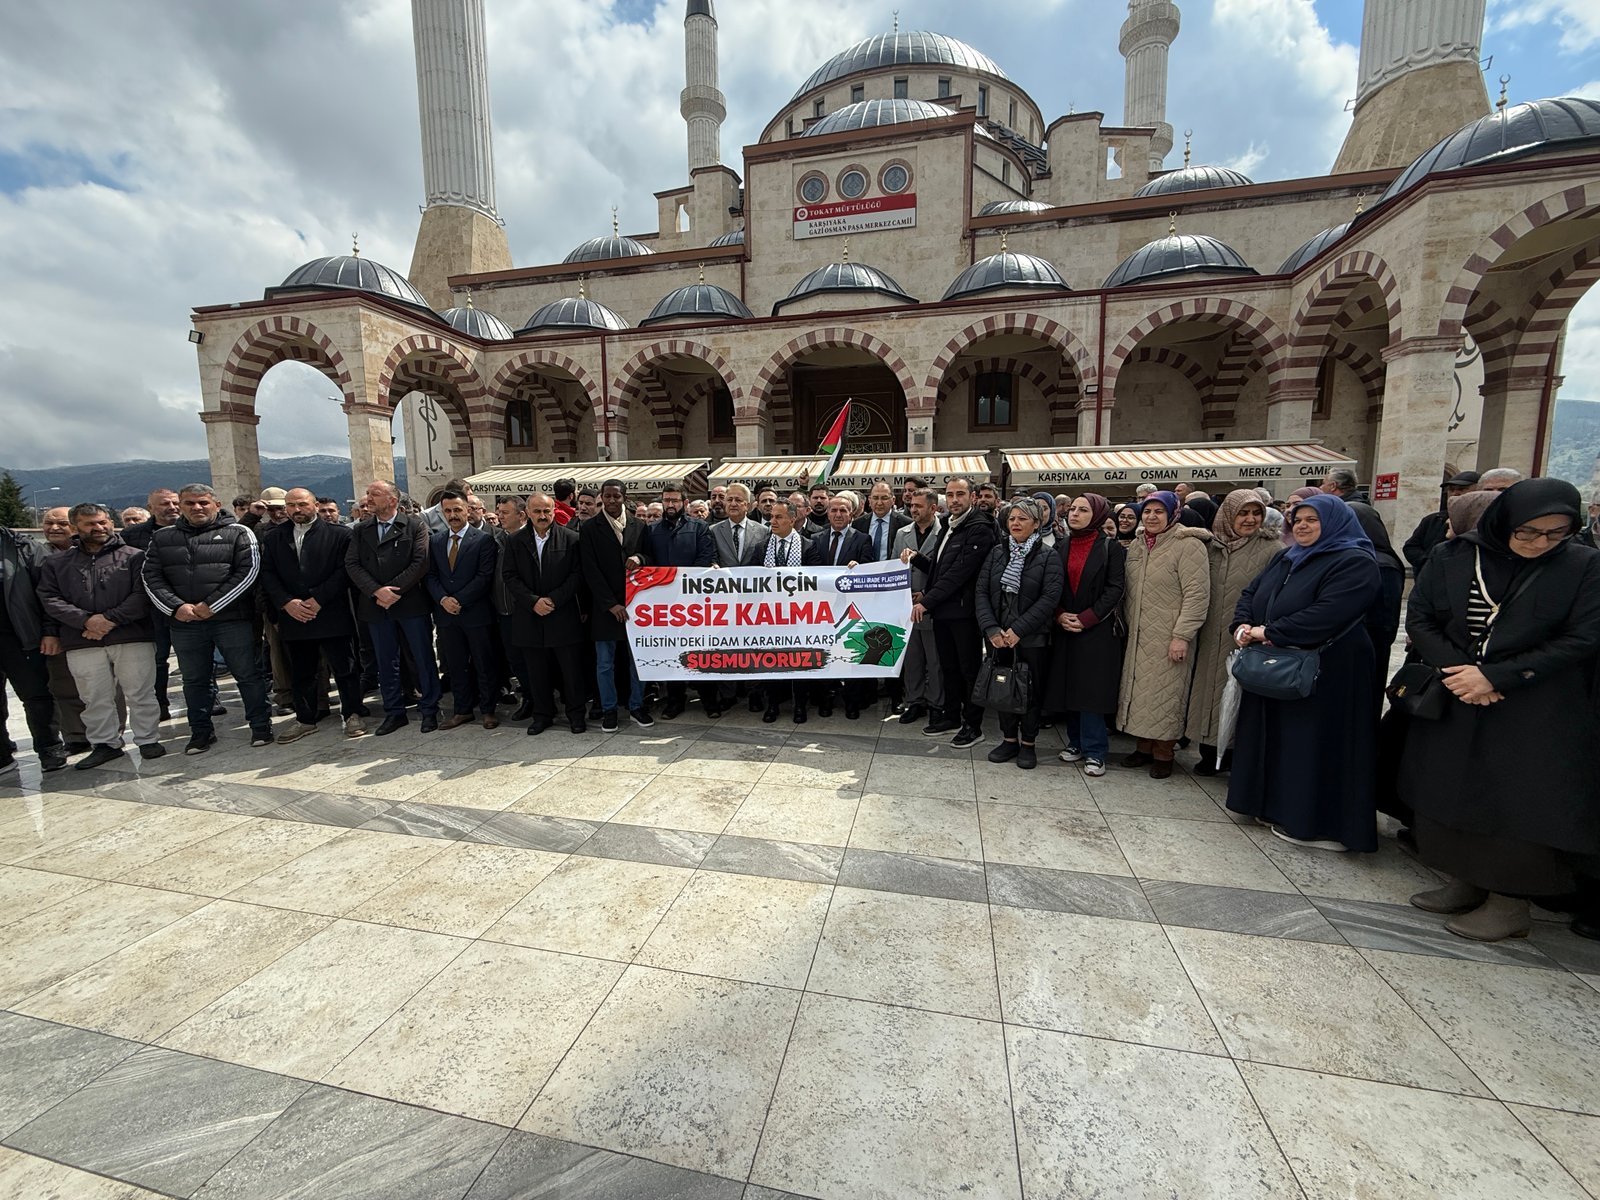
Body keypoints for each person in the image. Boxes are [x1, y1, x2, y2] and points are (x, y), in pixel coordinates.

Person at [1401, 479, 1600, 942]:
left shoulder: (1583, 566)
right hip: (1459, 690)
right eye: (1528, 531)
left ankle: (1509, 903)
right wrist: (1460, 671)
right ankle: (1464, 879)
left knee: (1513, 800)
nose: (1540, 543)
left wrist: (1497, 677)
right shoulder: (1453, 555)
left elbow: (1583, 636)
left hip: (1534, 704)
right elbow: (1421, 617)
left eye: (1555, 533)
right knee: (1449, 788)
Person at [1226, 493, 1382, 850]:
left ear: (1334, 522)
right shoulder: (1288, 556)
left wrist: (1268, 631)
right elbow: (1251, 592)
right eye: (1297, 520)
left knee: (1313, 745)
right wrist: (1242, 624)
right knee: (1280, 740)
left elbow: (1329, 612)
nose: (1302, 526)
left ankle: (1316, 825)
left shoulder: (1354, 561)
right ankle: (1271, 806)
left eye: (1312, 520)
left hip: (1329, 669)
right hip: (1279, 664)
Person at [141, 483, 273, 754]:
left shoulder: (238, 532)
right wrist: (176, 608)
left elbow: (249, 571)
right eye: (189, 503)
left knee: (248, 675)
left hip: (232, 619)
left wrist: (212, 605)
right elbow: (150, 576)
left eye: (203, 502)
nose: (197, 507)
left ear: (216, 504)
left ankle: (261, 726)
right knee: (194, 680)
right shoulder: (163, 537)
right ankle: (200, 732)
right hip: (185, 623)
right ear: (181, 506)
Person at [37, 503, 162, 770]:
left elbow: (142, 595)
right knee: (93, 696)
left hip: (131, 635)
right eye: (90, 524)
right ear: (75, 527)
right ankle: (105, 744)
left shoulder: (135, 557)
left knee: (140, 691)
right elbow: (49, 598)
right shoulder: (56, 563)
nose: (99, 528)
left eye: (103, 522)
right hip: (81, 638)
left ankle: (148, 739)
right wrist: (86, 620)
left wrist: (108, 620)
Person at [1186, 490, 1282, 776]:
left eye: (1256, 513)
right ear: (1228, 514)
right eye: (1243, 513)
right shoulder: (1210, 547)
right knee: (1206, 692)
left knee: (1238, 694)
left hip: (1246, 634)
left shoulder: (1273, 550)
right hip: (1207, 632)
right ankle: (1208, 751)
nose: (1250, 519)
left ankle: (1233, 754)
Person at [258, 488, 366, 742]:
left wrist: (318, 599)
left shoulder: (339, 534)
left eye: (302, 504)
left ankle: (352, 713)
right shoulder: (274, 537)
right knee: (302, 671)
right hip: (294, 615)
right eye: (291, 505)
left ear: (315, 505)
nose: (297, 509)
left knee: (345, 668)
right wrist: (287, 603)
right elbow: (268, 573)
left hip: (331, 611)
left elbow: (344, 571)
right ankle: (305, 719)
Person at [1116, 491, 1210, 779]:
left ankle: (1164, 753)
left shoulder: (1188, 545)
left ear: (1172, 514)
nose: (1152, 516)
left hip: (1170, 635)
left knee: (1167, 695)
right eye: (1147, 511)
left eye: (1159, 511)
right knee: (1140, 694)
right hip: (1139, 633)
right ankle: (1143, 747)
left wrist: (1182, 635)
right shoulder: (1139, 544)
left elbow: (1197, 595)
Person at [901, 477, 999, 747]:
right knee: (949, 668)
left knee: (969, 670)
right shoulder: (949, 525)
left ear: (973, 497)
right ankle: (952, 717)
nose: (954, 500)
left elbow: (959, 573)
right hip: (944, 611)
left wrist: (927, 601)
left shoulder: (980, 528)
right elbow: (940, 568)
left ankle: (973, 725)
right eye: (950, 494)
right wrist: (917, 559)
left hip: (965, 613)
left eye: (960, 494)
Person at [345, 479, 440, 736]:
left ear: (392, 500)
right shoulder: (361, 530)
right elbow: (352, 564)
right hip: (376, 606)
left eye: (375, 493)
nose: (369, 498)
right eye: (368, 493)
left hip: (410, 604)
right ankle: (394, 712)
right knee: (386, 662)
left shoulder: (415, 526)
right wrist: (377, 591)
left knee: (422, 658)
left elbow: (420, 562)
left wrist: (393, 591)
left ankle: (430, 710)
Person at [974, 499, 1063, 770]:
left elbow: (1049, 598)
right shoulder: (997, 553)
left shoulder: (1048, 556)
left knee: (1029, 691)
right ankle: (1009, 739)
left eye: (1023, 519)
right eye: (1012, 518)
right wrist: (991, 628)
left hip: (1031, 638)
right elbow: (981, 591)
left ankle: (1029, 744)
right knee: (1003, 688)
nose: (1015, 523)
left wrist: (1019, 630)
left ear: (1036, 524)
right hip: (998, 637)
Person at [1048, 493, 1125, 777]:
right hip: (1065, 626)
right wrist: (1059, 614)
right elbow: (1052, 584)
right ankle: (1076, 742)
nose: (1074, 514)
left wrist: (1086, 618)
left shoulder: (1110, 548)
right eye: (1073, 509)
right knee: (1069, 685)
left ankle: (1095, 750)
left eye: (1083, 510)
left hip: (1096, 628)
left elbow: (1115, 589)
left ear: (1098, 515)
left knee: (1091, 691)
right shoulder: (1061, 545)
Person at [504, 492, 588, 735]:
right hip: (530, 616)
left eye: (546, 511)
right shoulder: (515, 540)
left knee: (571, 671)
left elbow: (577, 575)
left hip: (562, 614)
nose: (543, 516)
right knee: (536, 671)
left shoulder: (571, 539)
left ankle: (576, 715)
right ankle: (542, 715)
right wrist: (533, 602)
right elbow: (509, 575)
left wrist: (554, 599)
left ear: (553, 511)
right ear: (527, 513)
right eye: (537, 511)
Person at [579, 480, 653, 731]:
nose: (612, 500)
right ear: (602, 497)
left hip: (636, 605)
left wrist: (639, 558)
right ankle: (609, 709)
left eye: (616, 496)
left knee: (638, 660)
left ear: (624, 497)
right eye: (607, 496)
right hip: (605, 608)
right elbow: (590, 570)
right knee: (604, 664)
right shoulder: (590, 528)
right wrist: (610, 604)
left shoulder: (639, 526)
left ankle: (636, 706)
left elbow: (650, 557)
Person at [428, 492, 500, 729]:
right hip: (446, 616)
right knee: (455, 665)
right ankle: (462, 710)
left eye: (457, 510)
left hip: (476, 613)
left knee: (483, 663)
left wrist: (458, 600)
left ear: (467, 510)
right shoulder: (436, 541)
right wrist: (443, 600)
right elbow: (431, 576)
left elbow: (484, 576)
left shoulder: (483, 540)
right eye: (448, 511)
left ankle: (488, 710)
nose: (453, 515)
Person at [0, 523, 68, 773]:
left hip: (19, 636)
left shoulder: (22, 546)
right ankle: (2, 754)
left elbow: (47, 593)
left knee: (36, 696)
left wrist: (50, 631)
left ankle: (49, 749)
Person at [647, 483, 716, 720]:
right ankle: (675, 701)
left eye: (675, 500)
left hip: (696, 602)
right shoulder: (652, 530)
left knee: (701, 651)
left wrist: (685, 585)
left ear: (684, 503)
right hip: (665, 604)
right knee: (672, 652)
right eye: (666, 500)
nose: (670, 504)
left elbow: (706, 557)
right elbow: (649, 562)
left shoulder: (699, 527)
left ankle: (709, 700)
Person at [804, 495, 873, 719]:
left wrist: (859, 567)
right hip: (822, 608)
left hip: (850, 608)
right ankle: (825, 700)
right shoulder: (815, 538)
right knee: (824, 654)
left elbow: (869, 569)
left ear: (851, 514)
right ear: (828, 513)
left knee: (851, 654)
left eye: (843, 510)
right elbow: (811, 571)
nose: (838, 514)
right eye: (833, 510)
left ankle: (852, 702)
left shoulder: (862, 539)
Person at [37, 506, 94, 753]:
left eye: (61, 523)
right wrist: (50, 631)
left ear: (75, 526)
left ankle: (109, 733)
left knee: (101, 687)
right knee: (63, 686)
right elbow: (44, 598)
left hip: (99, 628)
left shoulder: (95, 550)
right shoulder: (34, 555)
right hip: (59, 630)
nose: (54, 528)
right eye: (48, 523)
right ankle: (76, 736)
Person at [891, 488, 944, 726]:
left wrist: (927, 595)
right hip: (906, 605)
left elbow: (943, 571)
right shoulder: (902, 533)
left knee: (935, 660)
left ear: (933, 508)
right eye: (912, 505)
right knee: (912, 659)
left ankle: (936, 703)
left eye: (918, 506)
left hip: (931, 605)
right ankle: (914, 701)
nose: (913, 510)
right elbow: (893, 567)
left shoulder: (944, 533)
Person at [759, 500, 812, 724]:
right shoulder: (762, 547)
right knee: (771, 660)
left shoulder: (808, 546)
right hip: (770, 616)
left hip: (800, 615)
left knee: (799, 660)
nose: (773, 521)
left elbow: (820, 579)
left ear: (792, 519)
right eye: (772, 517)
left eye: (779, 517)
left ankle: (800, 705)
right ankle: (772, 705)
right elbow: (748, 580)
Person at [1403, 470, 1479, 575]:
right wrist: (1428, 562)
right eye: (1451, 490)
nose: (1455, 493)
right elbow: (1411, 547)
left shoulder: (1480, 522)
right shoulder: (1432, 520)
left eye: (1462, 489)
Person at [711, 483, 771, 567]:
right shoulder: (714, 530)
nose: (733, 504)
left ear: (747, 506)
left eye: (738, 500)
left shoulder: (763, 531)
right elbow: (712, 558)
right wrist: (714, 564)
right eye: (729, 500)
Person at [853, 481, 910, 562]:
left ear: (893, 500)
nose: (879, 503)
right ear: (869, 500)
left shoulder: (905, 524)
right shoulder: (858, 524)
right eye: (875, 498)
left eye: (884, 498)